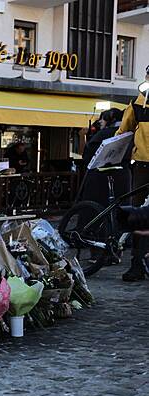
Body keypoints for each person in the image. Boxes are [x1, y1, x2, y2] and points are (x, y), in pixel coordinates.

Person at [117, 70, 149, 281]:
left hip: (142, 166)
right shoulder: (138, 103)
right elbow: (123, 132)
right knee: (138, 217)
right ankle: (136, 264)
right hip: (143, 166)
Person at [80, 108, 131, 207]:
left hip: (99, 178)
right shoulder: (128, 134)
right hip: (122, 176)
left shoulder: (103, 134)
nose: (100, 122)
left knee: (96, 211)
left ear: (109, 119)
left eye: (102, 119)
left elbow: (88, 155)